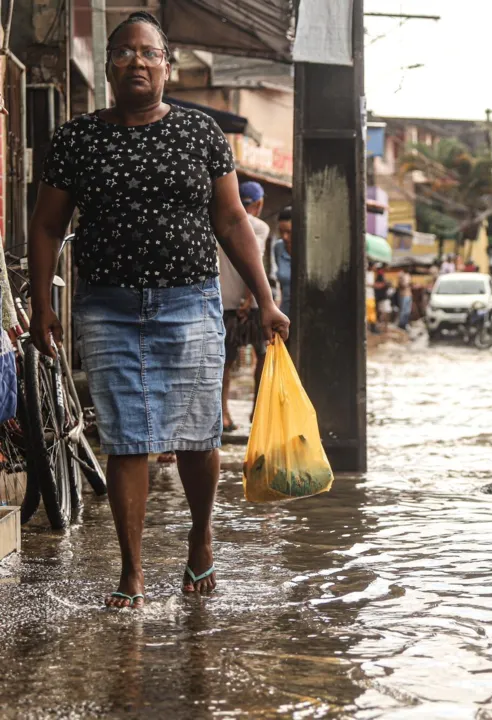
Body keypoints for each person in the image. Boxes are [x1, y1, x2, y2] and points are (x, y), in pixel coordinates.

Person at [27, 12, 289, 609]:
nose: (137, 63)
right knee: (128, 438)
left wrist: (267, 299)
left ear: (167, 66)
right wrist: (43, 304)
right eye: (123, 53)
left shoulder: (200, 134)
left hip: (189, 302)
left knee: (198, 436)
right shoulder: (78, 138)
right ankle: (133, 571)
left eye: (149, 53)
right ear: (110, 67)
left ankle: (201, 538)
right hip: (107, 307)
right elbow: (46, 227)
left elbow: (230, 221)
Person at [219, 181, 271, 433]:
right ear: (259, 204)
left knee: (225, 363)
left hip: (223, 303)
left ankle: (224, 415)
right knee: (261, 357)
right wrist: (249, 299)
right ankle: (257, 412)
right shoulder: (259, 226)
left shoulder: (215, 221)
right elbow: (255, 261)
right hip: (249, 305)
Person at [272, 206, 292, 318]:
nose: (284, 237)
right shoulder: (278, 248)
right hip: (285, 313)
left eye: (289, 232)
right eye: (281, 231)